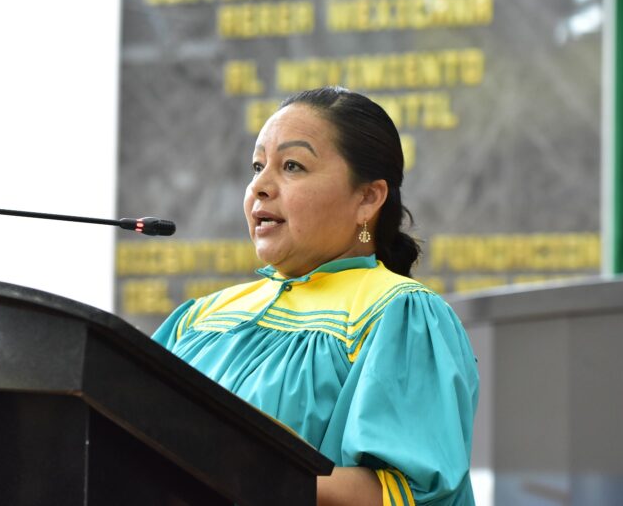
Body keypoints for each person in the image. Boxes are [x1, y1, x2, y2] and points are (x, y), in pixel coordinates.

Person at [152, 87, 479, 506]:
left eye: (292, 166)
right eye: (257, 166)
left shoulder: (399, 314)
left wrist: (235, 473)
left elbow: (412, 493)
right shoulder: (199, 319)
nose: (260, 187)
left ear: (367, 198)